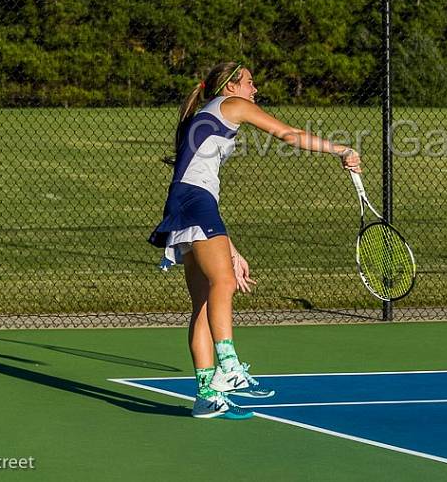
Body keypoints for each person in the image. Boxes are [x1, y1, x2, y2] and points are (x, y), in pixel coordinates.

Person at [149, 62, 361, 419]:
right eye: (249, 82)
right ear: (230, 87)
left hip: (187, 202)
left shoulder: (206, 113)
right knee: (225, 282)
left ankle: (206, 395)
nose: (255, 89)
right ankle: (229, 366)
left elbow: (198, 189)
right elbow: (290, 134)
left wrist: (231, 248)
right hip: (195, 201)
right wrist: (341, 150)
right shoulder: (233, 105)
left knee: (202, 304)